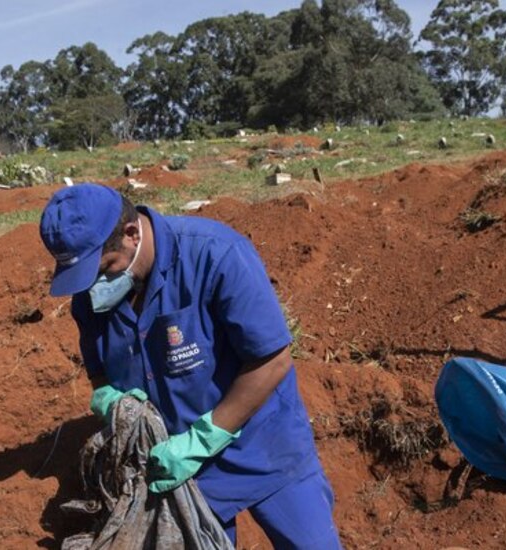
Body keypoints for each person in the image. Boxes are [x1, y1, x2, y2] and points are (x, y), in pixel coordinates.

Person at [40, 183, 341, 549]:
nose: (95, 284)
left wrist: (203, 439)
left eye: (105, 268)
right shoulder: (91, 295)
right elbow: (100, 368)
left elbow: (271, 359)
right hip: (179, 472)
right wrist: (110, 398)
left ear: (132, 234)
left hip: (265, 448)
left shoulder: (215, 254)